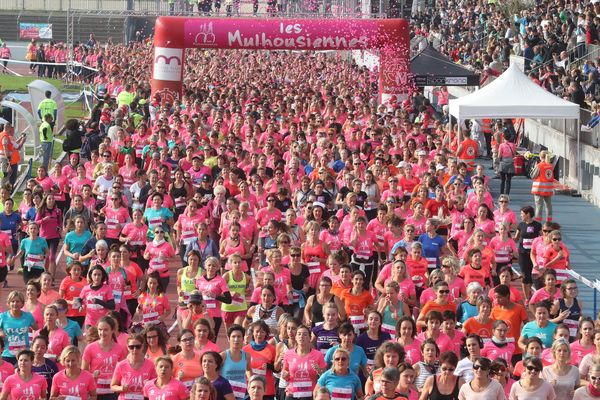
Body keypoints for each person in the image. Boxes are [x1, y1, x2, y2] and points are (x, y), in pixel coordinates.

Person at [530, 150, 555, 222]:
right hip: (548, 189)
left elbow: (532, 176)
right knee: (548, 205)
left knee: (539, 206)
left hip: (539, 189)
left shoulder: (539, 166)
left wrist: (533, 169)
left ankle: (538, 221)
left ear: (540, 157)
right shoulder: (550, 166)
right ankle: (549, 221)